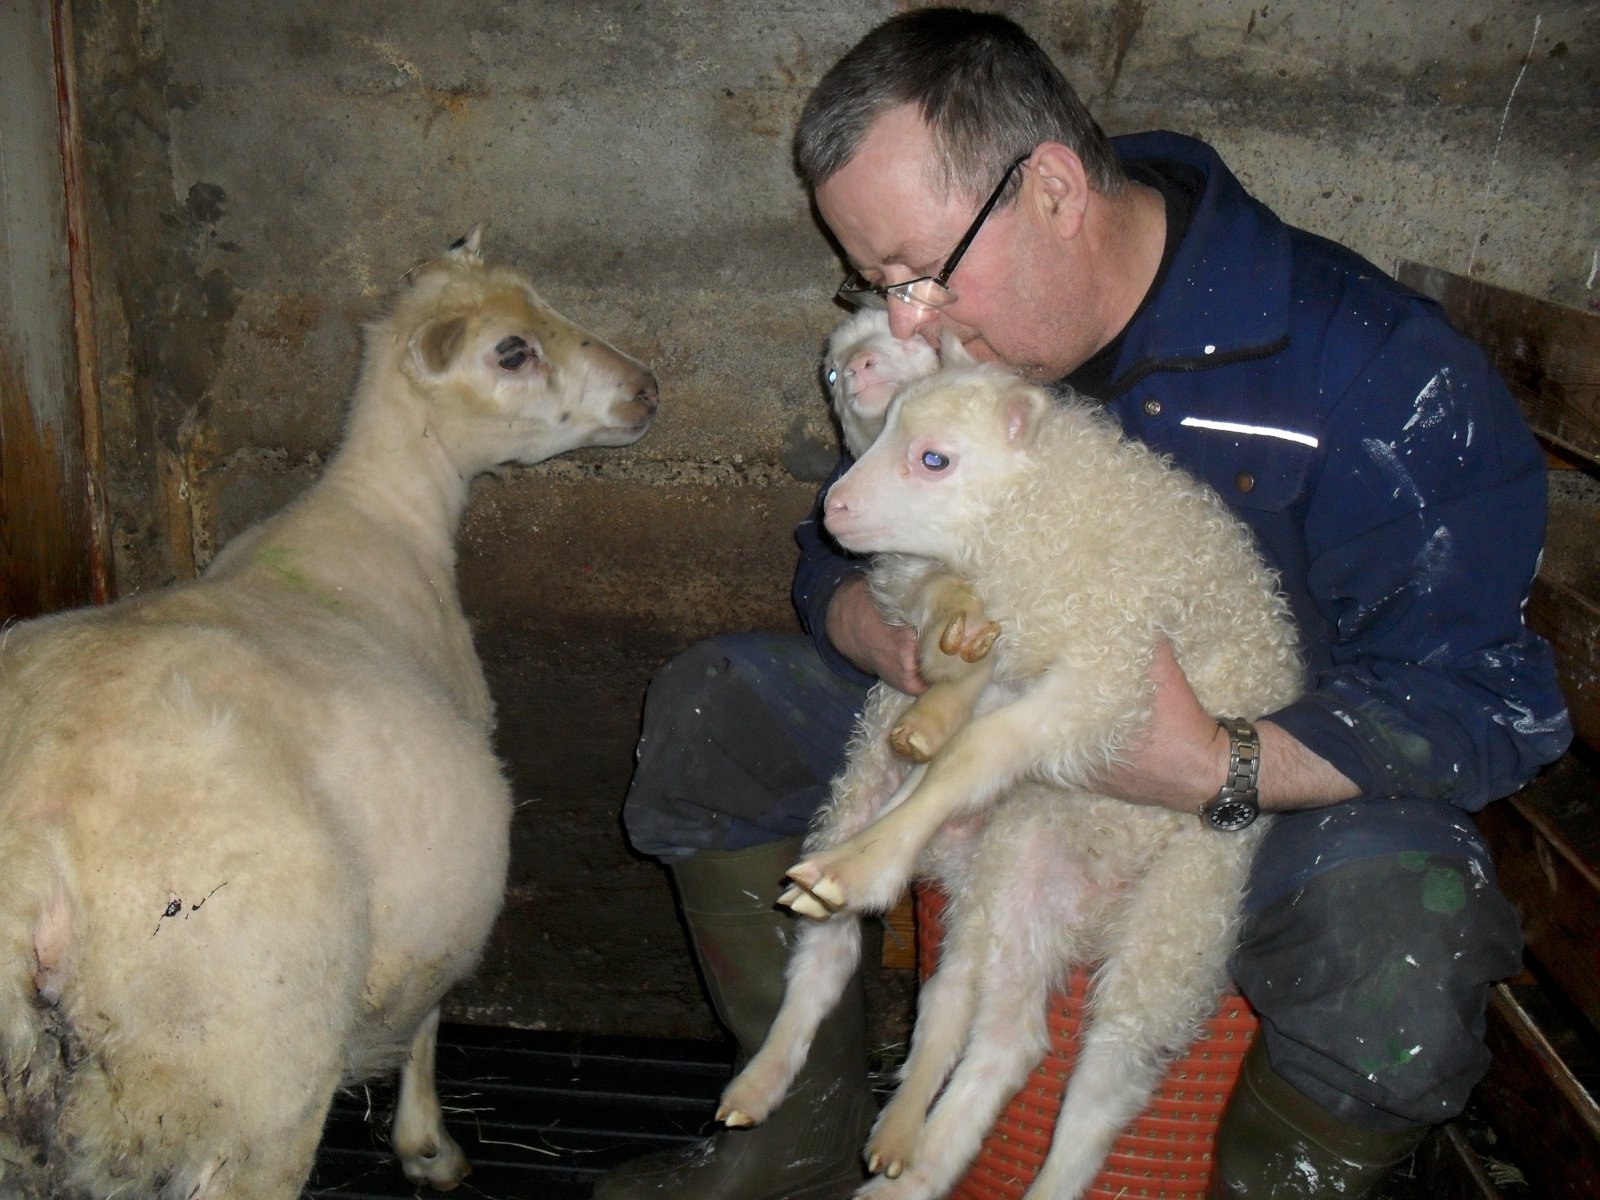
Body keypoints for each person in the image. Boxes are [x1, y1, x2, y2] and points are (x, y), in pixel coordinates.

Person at [596, 9, 1573, 1200]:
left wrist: (1221, 764)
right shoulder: (966, 343)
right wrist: (874, 627)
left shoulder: (1370, 370)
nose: (906, 324)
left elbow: (1480, 696)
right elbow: (838, 540)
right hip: (988, 714)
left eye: (919, 273)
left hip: (1244, 791)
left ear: (1052, 191)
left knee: (1404, 931)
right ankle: (792, 1148)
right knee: (719, 708)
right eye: (875, 284)